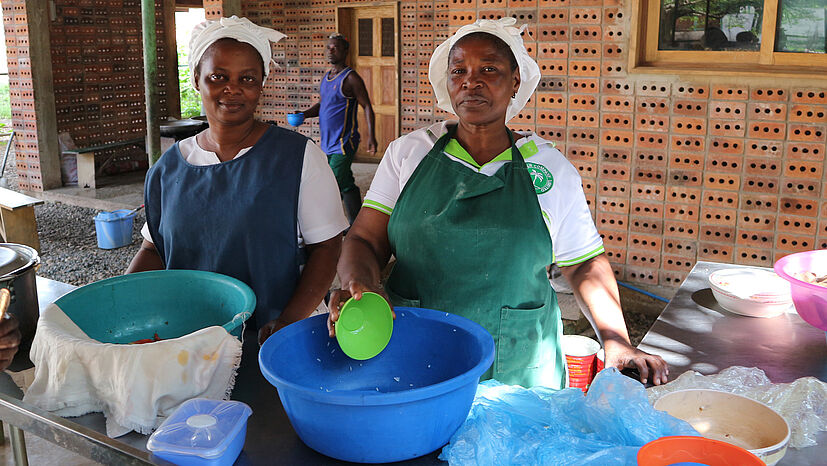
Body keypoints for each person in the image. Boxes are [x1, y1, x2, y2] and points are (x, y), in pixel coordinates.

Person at [328, 18, 668, 389]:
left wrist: (617, 344)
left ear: (515, 80)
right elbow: (363, 240)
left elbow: (583, 261)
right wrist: (361, 283)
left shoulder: (549, 169)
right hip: (414, 352)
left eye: (489, 69)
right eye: (459, 70)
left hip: (518, 367)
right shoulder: (409, 154)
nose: (471, 81)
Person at [127, 16, 349, 345]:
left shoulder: (297, 157)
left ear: (261, 83)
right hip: (187, 338)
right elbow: (154, 251)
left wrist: (288, 321)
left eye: (247, 78)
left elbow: (328, 248)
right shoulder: (169, 168)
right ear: (196, 80)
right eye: (218, 77)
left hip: (271, 336)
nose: (233, 89)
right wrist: (122, 306)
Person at [296, 33, 377, 224]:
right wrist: (304, 114)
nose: (330, 51)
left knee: (330, 184)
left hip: (343, 143)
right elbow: (323, 105)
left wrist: (371, 137)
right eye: (328, 47)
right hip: (327, 143)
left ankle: (323, 227)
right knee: (346, 183)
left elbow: (367, 107)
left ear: (345, 51)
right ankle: (357, 223)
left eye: (336, 48)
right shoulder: (327, 77)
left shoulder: (351, 78)